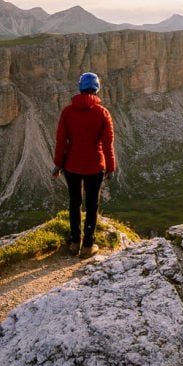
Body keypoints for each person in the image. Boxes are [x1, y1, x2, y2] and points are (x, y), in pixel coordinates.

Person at [52, 72, 116, 259]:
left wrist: (58, 164)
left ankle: (74, 242)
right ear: (96, 89)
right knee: (92, 204)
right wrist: (111, 167)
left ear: (80, 88)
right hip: (95, 166)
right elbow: (107, 144)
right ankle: (88, 246)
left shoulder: (68, 112)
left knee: (74, 203)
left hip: (71, 165)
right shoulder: (102, 113)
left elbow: (61, 141)